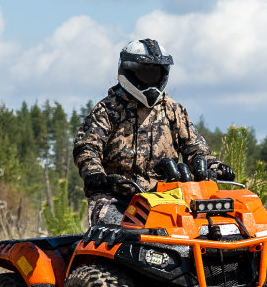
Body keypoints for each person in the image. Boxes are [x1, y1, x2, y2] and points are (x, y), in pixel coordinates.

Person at [72, 38, 220, 227]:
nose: (151, 80)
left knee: (204, 231)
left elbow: (196, 150)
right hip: (116, 198)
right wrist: (94, 174)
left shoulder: (173, 110)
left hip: (167, 198)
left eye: (155, 74)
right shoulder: (106, 110)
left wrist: (214, 166)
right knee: (124, 234)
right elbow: (87, 147)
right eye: (145, 73)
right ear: (129, 71)